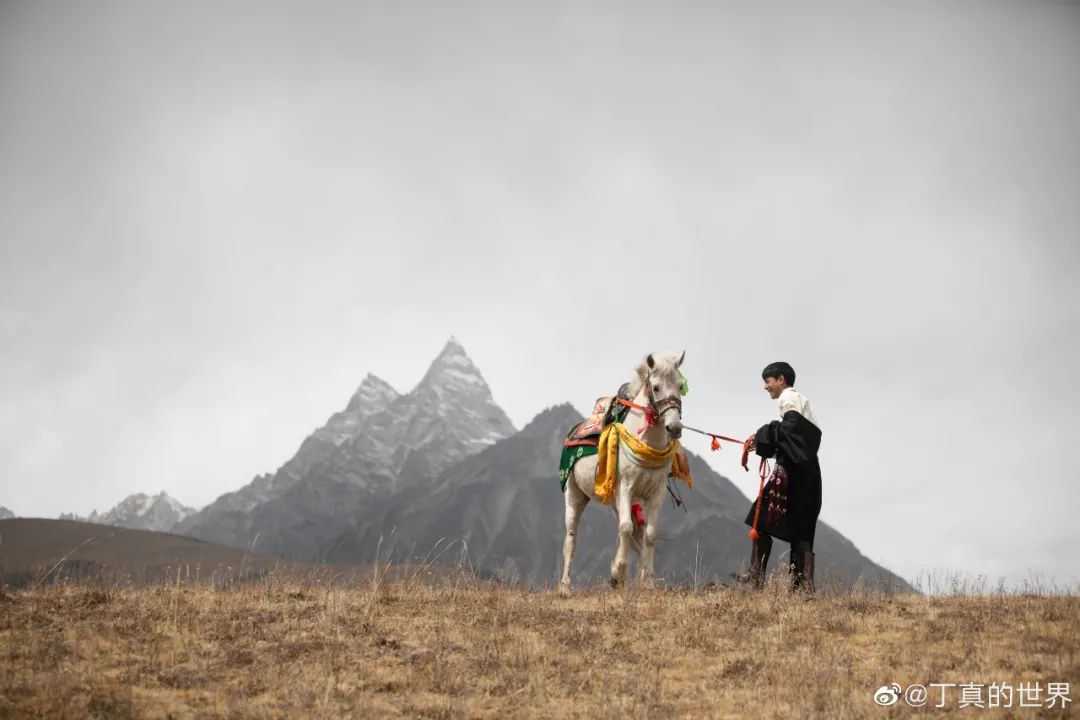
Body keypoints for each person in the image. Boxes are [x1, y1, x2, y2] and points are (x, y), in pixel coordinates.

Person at [734, 361, 822, 593]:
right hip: (808, 473)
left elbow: (790, 429)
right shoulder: (803, 403)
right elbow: (795, 443)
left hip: (792, 474)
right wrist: (764, 446)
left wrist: (763, 434)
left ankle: (756, 578)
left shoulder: (789, 398)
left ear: (781, 380)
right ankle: (802, 587)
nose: (765, 386)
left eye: (768, 381)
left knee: (760, 519)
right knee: (801, 529)